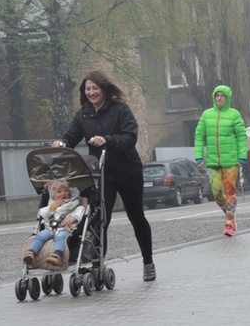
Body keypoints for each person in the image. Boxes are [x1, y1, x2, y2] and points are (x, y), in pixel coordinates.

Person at [51, 70, 156, 281]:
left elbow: (130, 137)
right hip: (102, 174)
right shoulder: (83, 115)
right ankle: (97, 265)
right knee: (99, 220)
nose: (91, 92)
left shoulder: (120, 109)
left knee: (136, 217)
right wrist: (61, 144)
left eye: (95, 88)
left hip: (128, 171)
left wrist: (106, 139)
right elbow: (70, 137)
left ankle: (148, 261)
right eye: (88, 89)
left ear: (104, 89)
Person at [194, 85, 248, 236]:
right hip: (212, 161)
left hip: (231, 160)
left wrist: (242, 156)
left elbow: (241, 136)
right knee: (217, 193)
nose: (219, 98)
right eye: (217, 95)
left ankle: (229, 223)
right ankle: (230, 214)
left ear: (228, 98)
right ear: (213, 97)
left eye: (222, 96)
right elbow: (199, 136)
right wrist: (198, 155)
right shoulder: (206, 115)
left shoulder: (234, 115)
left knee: (230, 191)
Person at [23, 179, 85, 266]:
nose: (63, 193)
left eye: (66, 190)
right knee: (40, 236)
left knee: (60, 238)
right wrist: (54, 206)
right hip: (50, 228)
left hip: (65, 229)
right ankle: (31, 252)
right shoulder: (52, 204)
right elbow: (43, 214)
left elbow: (80, 210)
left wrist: (74, 218)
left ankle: (57, 254)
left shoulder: (74, 203)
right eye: (59, 192)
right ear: (53, 196)